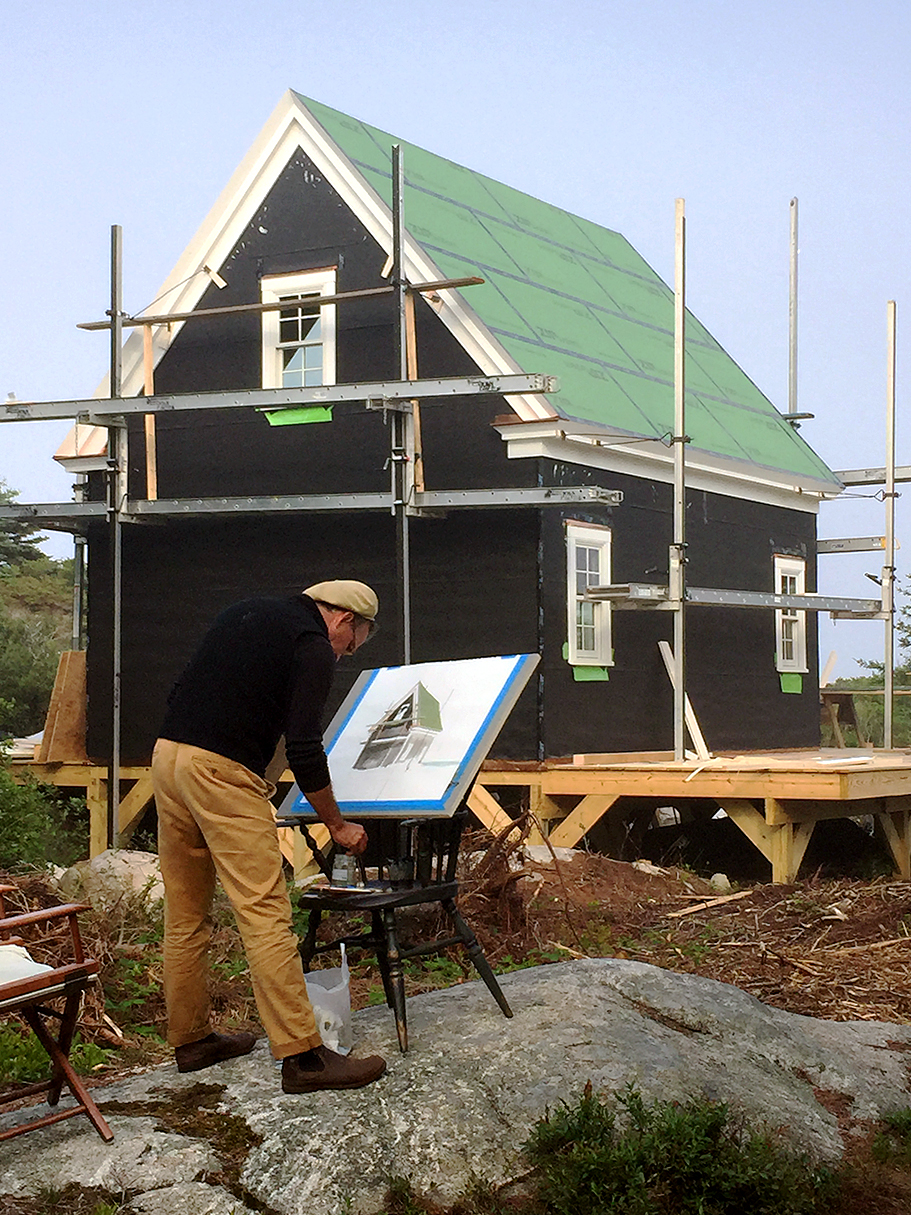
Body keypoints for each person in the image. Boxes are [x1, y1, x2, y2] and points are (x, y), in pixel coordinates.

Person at [151, 579, 387, 1093]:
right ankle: (304, 1058)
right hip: (222, 772)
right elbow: (305, 747)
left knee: (186, 911)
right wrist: (338, 825)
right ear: (344, 619)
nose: (345, 654)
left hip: (169, 757)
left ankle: (191, 1040)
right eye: (354, 642)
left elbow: (183, 689)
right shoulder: (312, 645)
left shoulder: (246, 610)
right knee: (264, 912)